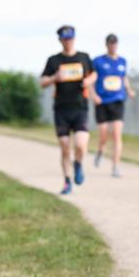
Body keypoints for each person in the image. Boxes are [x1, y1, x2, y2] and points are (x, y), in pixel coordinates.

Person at [41, 26, 96, 194]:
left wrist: (89, 82)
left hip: (80, 108)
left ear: (75, 38)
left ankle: (78, 163)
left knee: (80, 144)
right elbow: (42, 82)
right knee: (65, 146)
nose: (68, 41)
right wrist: (54, 78)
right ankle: (67, 181)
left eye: (70, 38)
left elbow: (94, 74)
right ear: (60, 40)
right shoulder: (53, 60)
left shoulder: (84, 57)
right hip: (61, 109)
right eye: (65, 38)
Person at [92, 33, 135, 178]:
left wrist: (128, 89)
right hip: (102, 102)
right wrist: (94, 95)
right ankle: (100, 151)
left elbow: (124, 78)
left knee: (117, 135)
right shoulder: (98, 61)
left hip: (117, 100)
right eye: (110, 43)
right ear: (106, 45)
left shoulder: (122, 61)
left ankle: (115, 167)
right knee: (104, 135)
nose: (113, 45)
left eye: (115, 43)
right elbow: (91, 79)